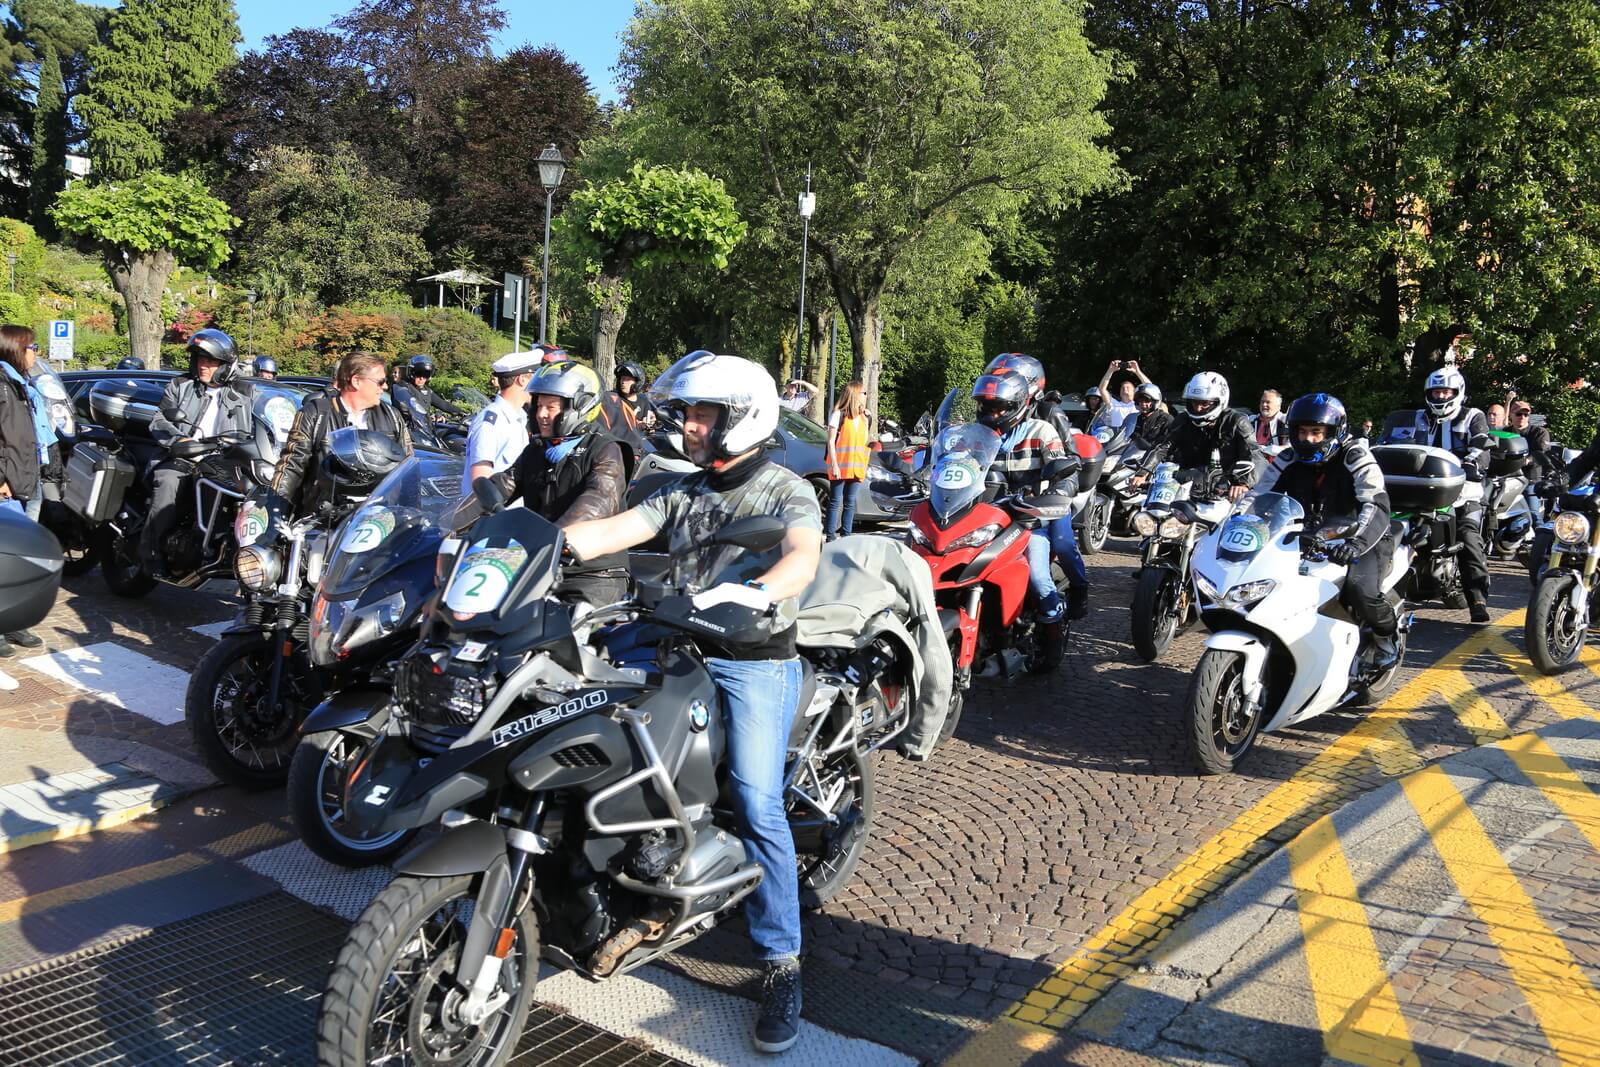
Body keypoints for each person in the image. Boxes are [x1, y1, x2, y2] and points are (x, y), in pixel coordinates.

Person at [561, 351, 822, 1054]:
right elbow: (614, 529)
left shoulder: (786, 489)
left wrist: (758, 591)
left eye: (704, 415)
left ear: (744, 418)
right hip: (673, 643)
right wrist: (535, 548)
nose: (692, 426)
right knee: (585, 719)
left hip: (751, 658)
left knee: (757, 799)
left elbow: (802, 555)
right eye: (690, 414)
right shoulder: (683, 488)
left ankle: (781, 961)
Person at [1245, 393, 1399, 668]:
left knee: (1359, 590)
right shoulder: (1288, 458)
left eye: (1316, 432)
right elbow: (1258, 496)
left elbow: (1375, 503)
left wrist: (1356, 544)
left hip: (1362, 536)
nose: (1308, 439)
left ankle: (1386, 636)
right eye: (1302, 432)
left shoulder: (1355, 456)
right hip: (1309, 536)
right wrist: (1236, 524)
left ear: (1334, 432)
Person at [1381, 366, 1493, 620]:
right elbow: (1392, 443)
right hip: (1419, 489)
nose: (1441, 397)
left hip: (1462, 491)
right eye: (1436, 392)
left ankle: (1477, 599)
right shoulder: (1415, 418)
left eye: (1446, 392)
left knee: (1468, 537)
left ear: (1457, 392)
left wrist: (1473, 463)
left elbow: (1481, 445)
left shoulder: (1472, 416)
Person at [984, 353, 1090, 618]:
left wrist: (1057, 490)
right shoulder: (987, 423)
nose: (1001, 384)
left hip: (1043, 500)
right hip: (1000, 506)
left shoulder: (1048, 415)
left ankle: (1079, 588)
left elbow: (1069, 457)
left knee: (1063, 544)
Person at [142, 329, 253, 574]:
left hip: (223, 460)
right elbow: (159, 419)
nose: (203, 365)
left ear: (225, 365)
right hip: (182, 455)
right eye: (200, 359)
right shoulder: (180, 385)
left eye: (211, 361)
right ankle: (151, 553)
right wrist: (178, 439)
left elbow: (257, 425)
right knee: (169, 484)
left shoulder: (244, 392)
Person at [973, 369, 1074, 635]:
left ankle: (1053, 624)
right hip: (980, 520)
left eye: (999, 407)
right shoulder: (974, 435)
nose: (992, 413)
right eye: (986, 406)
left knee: (1037, 577)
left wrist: (1055, 492)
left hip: (1026, 519)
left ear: (1016, 406)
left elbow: (1062, 469)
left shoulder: (1041, 430)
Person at [271, 352, 413, 519]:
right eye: (380, 382)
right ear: (356, 381)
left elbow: (408, 469)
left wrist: (411, 516)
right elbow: (291, 466)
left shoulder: (392, 416)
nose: (385, 387)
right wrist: (274, 511)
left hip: (377, 520)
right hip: (322, 519)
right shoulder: (316, 414)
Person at [1141, 372, 1260, 502]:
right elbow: (1163, 446)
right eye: (1194, 402)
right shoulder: (1183, 419)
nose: (1198, 408)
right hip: (1186, 486)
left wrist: (1243, 483)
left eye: (1204, 403)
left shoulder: (1236, 422)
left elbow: (1254, 454)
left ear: (1219, 401)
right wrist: (1143, 472)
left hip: (1223, 491)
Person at [0, 326, 44, 658]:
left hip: (24, 479)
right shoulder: (2, 385)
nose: (36, 353)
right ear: (17, 349)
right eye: (33, 347)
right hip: (7, 484)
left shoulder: (19, 383)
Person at [463, 351, 538, 487]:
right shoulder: (491, 424)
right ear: (522, 379)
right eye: (535, 378)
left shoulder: (518, 418)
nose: (539, 386)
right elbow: (481, 485)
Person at [824, 380, 871, 540]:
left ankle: (847, 536)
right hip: (840, 465)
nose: (865, 396)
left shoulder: (864, 417)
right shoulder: (839, 415)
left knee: (850, 502)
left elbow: (865, 442)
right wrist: (834, 465)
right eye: (863, 393)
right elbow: (831, 441)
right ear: (855, 395)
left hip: (857, 467)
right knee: (835, 501)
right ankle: (830, 536)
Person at [391, 354, 467, 426]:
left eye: (426, 374)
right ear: (411, 372)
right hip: (407, 428)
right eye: (418, 373)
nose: (421, 378)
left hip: (425, 429)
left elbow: (443, 404)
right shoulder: (402, 387)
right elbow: (405, 406)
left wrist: (462, 413)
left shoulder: (427, 391)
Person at [1096, 359, 1151, 428]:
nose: (1125, 389)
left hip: (1134, 434)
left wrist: (1137, 371)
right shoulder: (1113, 404)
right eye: (1122, 388)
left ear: (1134, 391)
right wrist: (1110, 371)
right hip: (1115, 435)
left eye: (1128, 387)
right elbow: (1102, 389)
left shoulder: (1139, 405)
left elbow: (1150, 388)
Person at [1127, 382, 1173, 451]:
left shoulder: (1165, 419)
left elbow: (1168, 445)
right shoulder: (1133, 418)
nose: (1143, 404)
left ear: (1154, 401)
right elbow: (1123, 435)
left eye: (1147, 400)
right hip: (1131, 454)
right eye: (1140, 400)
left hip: (1154, 456)